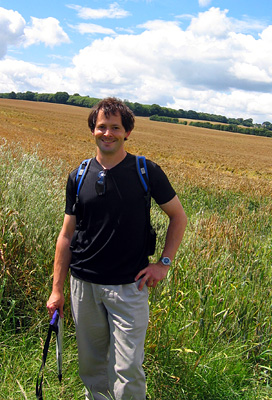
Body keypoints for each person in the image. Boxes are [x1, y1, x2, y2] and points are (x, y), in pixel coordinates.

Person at [46, 97, 187, 400]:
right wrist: (57, 289)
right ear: (92, 130)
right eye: (101, 127)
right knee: (91, 366)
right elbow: (66, 236)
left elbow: (178, 216)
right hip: (83, 285)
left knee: (127, 369)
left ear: (127, 133)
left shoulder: (145, 170)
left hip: (129, 287)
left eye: (115, 128)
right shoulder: (79, 176)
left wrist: (163, 263)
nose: (107, 133)